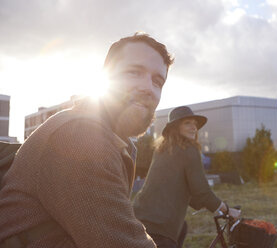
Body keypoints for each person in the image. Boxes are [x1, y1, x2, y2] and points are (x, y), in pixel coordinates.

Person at [0, 33, 173, 247]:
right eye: (134, 72)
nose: (148, 87)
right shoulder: (80, 136)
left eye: (158, 81)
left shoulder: (117, 143)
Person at [133, 106, 241, 248]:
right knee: (177, 229)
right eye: (187, 123)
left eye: (195, 124)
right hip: (160, 227)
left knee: (182, 227)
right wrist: (227, 209)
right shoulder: (189, 150)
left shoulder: (161, 150)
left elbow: (177, 187)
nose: (193, 128)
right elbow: (201, 191)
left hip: (137, 217)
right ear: (176, 127)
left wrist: (211, 205)